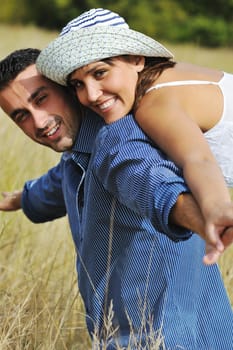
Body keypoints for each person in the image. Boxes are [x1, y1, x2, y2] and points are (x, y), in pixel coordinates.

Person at [0, 51, 233, 350]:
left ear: (69, 89)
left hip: (171, 339)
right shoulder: (77, 155)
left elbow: (154, 185)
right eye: (21, 115)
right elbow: (59, 181)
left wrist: (203, 219)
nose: (39, 122)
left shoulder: (119, 139)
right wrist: (19, 199)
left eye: (41, 99)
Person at [37, 7, 233, 265]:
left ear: (137, 59)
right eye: (78, 84)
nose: (91, 95)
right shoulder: (168, 74)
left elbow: (197, 159)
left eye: (100, 73)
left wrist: (217, 207)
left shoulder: (153, 106)